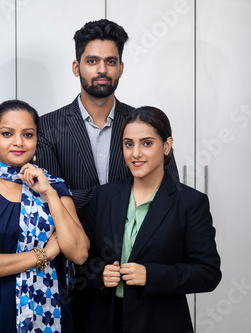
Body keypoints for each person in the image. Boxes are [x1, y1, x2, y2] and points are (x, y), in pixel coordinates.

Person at [36, 19, 179, 331]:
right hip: (76, 273)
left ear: (121, 68)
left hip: (141, 269)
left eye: (110, 61)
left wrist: (77, 197)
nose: (101, 69)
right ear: (77, 67)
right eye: (92, 61)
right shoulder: (47, 128)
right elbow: (51, 205)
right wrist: (114, 198)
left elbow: (168, 199)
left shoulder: (143, 124)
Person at [0, 100, 90, 333]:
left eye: (28, 134)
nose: (18, 142)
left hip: (49, 313)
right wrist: (45, 254)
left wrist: (48, 192)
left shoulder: (55, 187)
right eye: (7, 134)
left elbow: (80, 253)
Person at [83, 106, 221, 333]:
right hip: (105, 321)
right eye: (129, 144)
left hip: (161, 322)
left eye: (146, 143)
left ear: (166, 146)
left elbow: (208, 273)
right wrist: (99, 273)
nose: (135, 153)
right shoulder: (104, 196)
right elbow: (82, 260)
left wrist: (151, 275)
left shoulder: (189, 202)